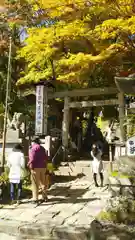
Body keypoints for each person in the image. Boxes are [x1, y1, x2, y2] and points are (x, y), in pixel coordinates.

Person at [28, 136, 48, 204]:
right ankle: (44, 197)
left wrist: (29, 164)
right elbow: (46, 157)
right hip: (43, 167)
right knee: (43, 182)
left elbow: (32, 158)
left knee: (35, 183)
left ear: (32, 141)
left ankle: (35, 198)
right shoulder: (42, 148)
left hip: (35, 167)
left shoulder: (33, 148)